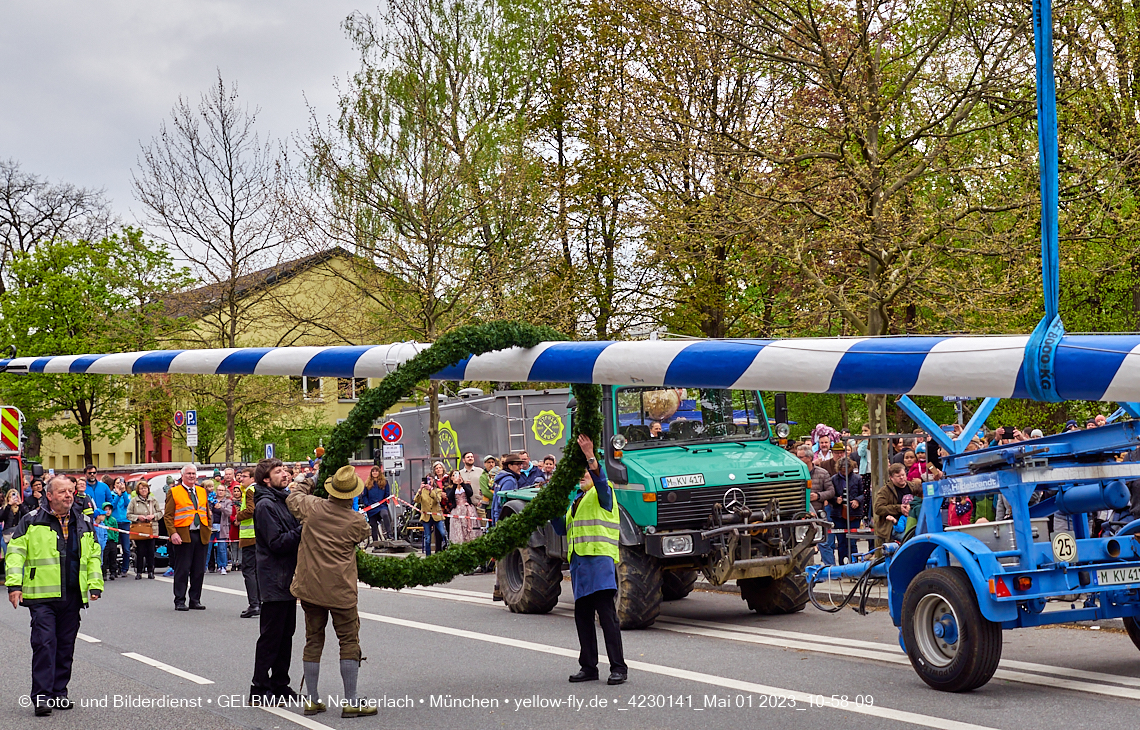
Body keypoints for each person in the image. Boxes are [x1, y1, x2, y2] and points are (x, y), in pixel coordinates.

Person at [6, 474, 103, 716]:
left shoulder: (82, 522)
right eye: (62, 492)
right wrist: (14, 585)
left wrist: (94, 584)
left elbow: (92, 556)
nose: (69, 495)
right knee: (44, 644)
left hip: (72, 594)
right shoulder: (31, 521)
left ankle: (60, 693)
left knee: (65, 646)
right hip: (42, 596)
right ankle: (42, 697)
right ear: (49, 496)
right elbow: (15, 553)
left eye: (71, 491)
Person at [286, 465, 375, 718]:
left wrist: (307, 481)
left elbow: (292, 498)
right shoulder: (356, 521)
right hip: (341, 591)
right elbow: (364, 535)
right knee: (348, 641)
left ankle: (312, 700)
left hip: (311, 587)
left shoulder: (313, 507)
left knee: (313, 640)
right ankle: (351, 702)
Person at [558, 434, 627, 686]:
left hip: (599, 563)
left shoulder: (603, 493)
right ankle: (588, 666)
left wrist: (590, 457)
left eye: (585, 471)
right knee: (582, 617)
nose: (582, 475)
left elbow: (600, 479)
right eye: (581, 472)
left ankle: (618, 667)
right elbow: (560, 529)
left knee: (606, 616)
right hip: (580, 567)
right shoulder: (576, 500)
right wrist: (553, 503)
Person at [250, 457, 301, 704]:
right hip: (274, 578)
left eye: (285, 470)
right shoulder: (265, 506)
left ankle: (280, 684)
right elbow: (277, 543)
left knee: (286, 635)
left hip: (287, 577)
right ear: (266, 480)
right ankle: (259, 687)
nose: (285, 474)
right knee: (271, 636)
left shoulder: (283, 500)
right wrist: (304, 529)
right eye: (278, 471)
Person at [163, 464, 212, 611]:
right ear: (182, 475)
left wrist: (208, 528)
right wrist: (173, 533)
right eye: (189, 473)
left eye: (193, 473)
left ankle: (195, 599)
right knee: (182, 569)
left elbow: (206, 511)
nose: (191, 476)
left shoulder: (202, 491)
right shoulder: (174, 491)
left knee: (198, 570)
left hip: (200, 533)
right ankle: (179, 600)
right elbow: (168, 516)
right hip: (183, 534)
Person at [234, 468, 260, 618]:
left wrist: (239, 515)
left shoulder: (250, 490)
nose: (241, 479)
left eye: (244, 476)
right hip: (258, 536)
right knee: (257, 571)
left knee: (249, 571)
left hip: (250, 536)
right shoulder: (259, 489)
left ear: (252, 478)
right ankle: (259, 603)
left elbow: (250, 510)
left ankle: (254, 604)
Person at [830, 457, 864, 565]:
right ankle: (842, 565)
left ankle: (854, 565)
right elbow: (830, 495)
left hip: (854, 514)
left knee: (852, 542)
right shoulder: (834, 479)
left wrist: (857, 501)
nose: (844, 470)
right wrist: (836, 500)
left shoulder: (857, 478)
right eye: (842, 468)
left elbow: (864, 494)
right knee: (841, 542)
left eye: (846, 468)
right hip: (838, 514)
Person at [127, 482, 160, 579]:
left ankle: (151, 571)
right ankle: (139, 572)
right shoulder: (133, 501)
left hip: (151, 528)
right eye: (141, 488)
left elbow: (160, 513)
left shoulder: (153, 500)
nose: (143, 490)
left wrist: (153, 516)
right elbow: (128, 515)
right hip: (139, 529)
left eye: (145, 488)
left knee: (151, 551)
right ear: (138, 490)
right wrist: (137, 517)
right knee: (140, 551)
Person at [875, 464, 912, 546]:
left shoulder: (912, 486)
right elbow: (878, 509)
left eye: (903, 475)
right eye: (898, 476)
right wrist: (899, 508)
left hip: (912, 523)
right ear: (891, 478)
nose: (902, 478)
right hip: (893, 526)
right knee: (909, 540)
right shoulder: (885, 491)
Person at [414, 476, 447, 555]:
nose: (428, 482)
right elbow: (416, 500)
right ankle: (428, 556)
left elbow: (438, 499)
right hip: (426, 517)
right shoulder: (422, 491)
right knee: (427, 538)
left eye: (430, 480)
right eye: (427, 480)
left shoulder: (437, 490)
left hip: (437, 516)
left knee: (443, 533)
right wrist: (420, 490)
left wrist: (430, 490)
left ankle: (446, 549)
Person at [446, 470, 479, 544]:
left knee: (469, 530)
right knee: (458, 530)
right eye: (454, 475)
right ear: (451, 478)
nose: (457, 476)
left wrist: (462, 484)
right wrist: (455, 485)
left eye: (458, 474)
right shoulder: (449, 488)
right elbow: (450, 497)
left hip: (467, 509)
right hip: (457, 510)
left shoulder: (466, 485)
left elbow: (470, 493)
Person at [361, 466, 392, 542]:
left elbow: (387, 494)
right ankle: (375, 542)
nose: (375, 473)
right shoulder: (367, 483)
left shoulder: (385, 483)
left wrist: (384, 502)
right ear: (371, 473)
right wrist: (367, 504)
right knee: (373, 525)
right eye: (373, 471)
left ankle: (389, 534)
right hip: (371, 508)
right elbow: (364, 495)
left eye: (376, 471)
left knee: (385, 514)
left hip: (381, 506)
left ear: (379, 472)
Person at [109, 477, 131, 576]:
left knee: (126, 548)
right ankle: (112, 567)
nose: (120, 485)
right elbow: (112, 506)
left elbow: (128, 504)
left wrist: (124, 492)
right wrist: (118, 495)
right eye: (117, 483)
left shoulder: (127, 495)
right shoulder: (111, 495)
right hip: (115, 522)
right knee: (113, 547)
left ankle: (125, 568)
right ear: (114, 485)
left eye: (121, 483)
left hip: (125, 522)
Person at [212, 483, 233, 575]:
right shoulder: (211, 500)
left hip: (222, 527)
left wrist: (221, 507)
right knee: (208, 548)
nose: (220, 492)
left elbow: (229, 512)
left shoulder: (228, 501)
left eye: (222, 490)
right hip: (211, 526)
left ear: (225, 492)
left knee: (222, 548)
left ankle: (222, 566)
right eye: (218, 490)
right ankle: (204, 567)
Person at [98, 502, 120, 580]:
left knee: (113, 557)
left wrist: (116, 539)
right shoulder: (102, 520)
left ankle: (113, 572)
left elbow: (116, 530)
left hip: (112, 540)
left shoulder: (113, 520)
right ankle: (104, 573)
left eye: (109, 509)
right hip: (105, 541)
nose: (108, 511)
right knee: (104, 557)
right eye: (106, 509)